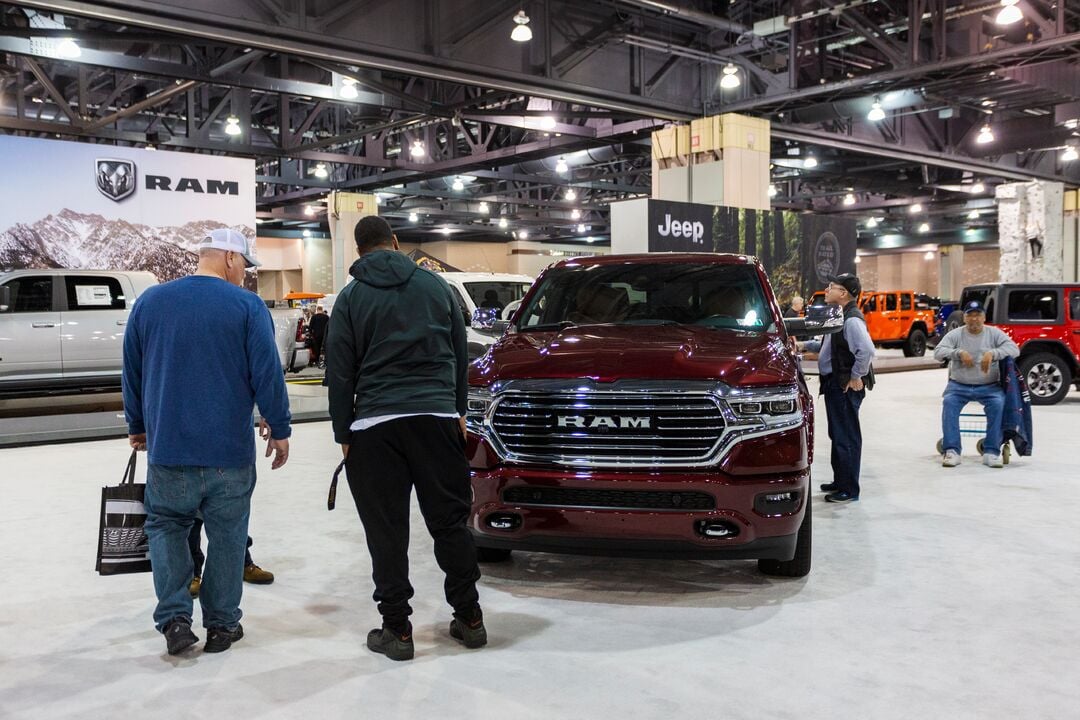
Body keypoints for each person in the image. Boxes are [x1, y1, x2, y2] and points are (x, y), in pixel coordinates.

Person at [122, 228, 291, 656]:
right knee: (229, 537)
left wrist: (137, 424)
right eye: (244, 267)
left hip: (169, 451)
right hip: (228, 455)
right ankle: (221, 626)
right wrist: (279, 425)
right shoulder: (247, 307)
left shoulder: (151, 303)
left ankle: (176, 620)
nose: (245, 276)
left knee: (166, 529)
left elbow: (132, 371)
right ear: (230, 259)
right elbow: (267, 372)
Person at [326, 216, 484, 662]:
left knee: (387, 532)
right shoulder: (437, 288)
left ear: (359, 252)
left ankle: (397, 630)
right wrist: (458, 412)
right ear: (394, 243)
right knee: (450, 523)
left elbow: (340, 371)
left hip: (375, 427)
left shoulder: (351, 297)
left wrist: (344, 430)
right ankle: (470, 617)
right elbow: (458, 353)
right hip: (436, 418)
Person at [797, 274, 875, 504]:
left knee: (846, 437)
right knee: (838, 434)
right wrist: (801, 345)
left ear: (843, 293)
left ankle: (849, 489)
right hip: (834, 384)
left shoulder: (852, 320)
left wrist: (855, 376)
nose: (827, 289)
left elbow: (867, 351)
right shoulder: (840, 316)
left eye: (832, 287)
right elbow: (826, 343)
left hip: (843, 386)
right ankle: (840, 481)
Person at [931, 300, 1019, 468]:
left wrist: (993, 353)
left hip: (989, 386)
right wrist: (958, 352)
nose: (974, 319)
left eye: (977, 315)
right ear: (964, 318)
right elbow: (938, 352)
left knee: (998, 403)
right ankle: (952, 450)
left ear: (984, 317)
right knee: (949, 403)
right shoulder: (956, 334)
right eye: (969, 315)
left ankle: (991, 451)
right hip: (959, 385)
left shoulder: (994, 334)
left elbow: (1014, 350)